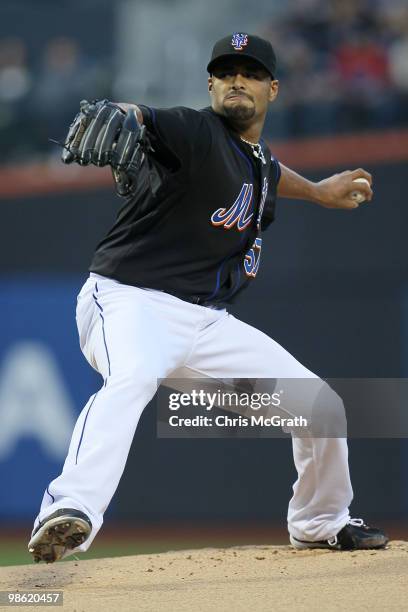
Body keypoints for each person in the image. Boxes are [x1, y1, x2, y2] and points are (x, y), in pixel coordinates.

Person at [28, 33, 387, 563]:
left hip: (206, 325)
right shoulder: (195, 129)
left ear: (273, 88)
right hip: (131, 300)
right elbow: (145, 117)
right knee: (132, 379)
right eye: (225, 72)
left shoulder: (258, 162)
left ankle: (319, 521)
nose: (236, 80)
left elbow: (267, 170)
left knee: (322, 408)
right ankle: (70, 509)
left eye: (250, 72)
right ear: (211, 85)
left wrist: (316, 190)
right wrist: (120, 111)